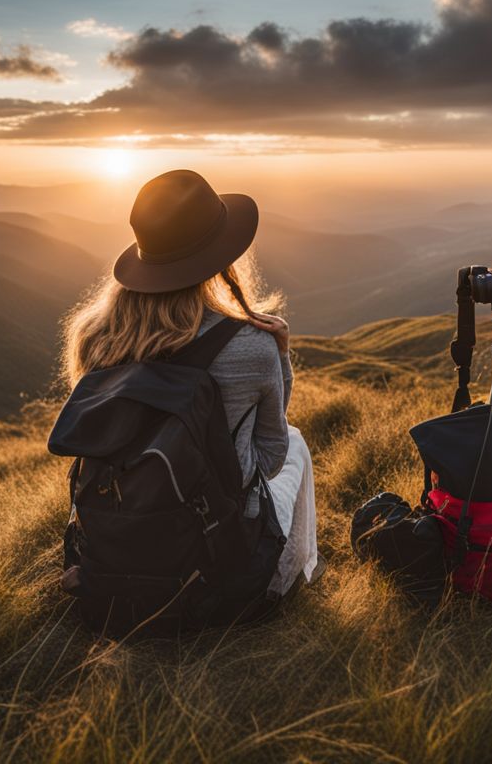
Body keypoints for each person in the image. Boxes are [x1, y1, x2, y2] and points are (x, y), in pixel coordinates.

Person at [61, 169, 321, 601]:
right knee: (294, 444)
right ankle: (285, 579)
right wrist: (281, 355)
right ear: (220, 256)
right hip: (214, 547)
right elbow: (270, 457)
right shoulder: (251, 347)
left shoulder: (95, 338)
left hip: (119, 539)